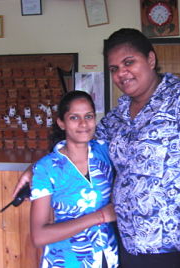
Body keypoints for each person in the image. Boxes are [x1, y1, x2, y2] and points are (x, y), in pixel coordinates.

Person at [15, 28, 180, 268]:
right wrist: (35, 169)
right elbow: (78, 144)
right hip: (131, 248)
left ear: (150, 59)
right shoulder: (116, 118)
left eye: (129, 62)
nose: (121, 73)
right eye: (114, 68)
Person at [29, 90, 118, 268]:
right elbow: (39, 236)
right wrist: (99, 217)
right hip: (67, 260)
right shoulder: (46, 169)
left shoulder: (106, 151)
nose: (83, 124)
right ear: (61, 123)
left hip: (108, 257)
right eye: (74, 118)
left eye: (89, 116)